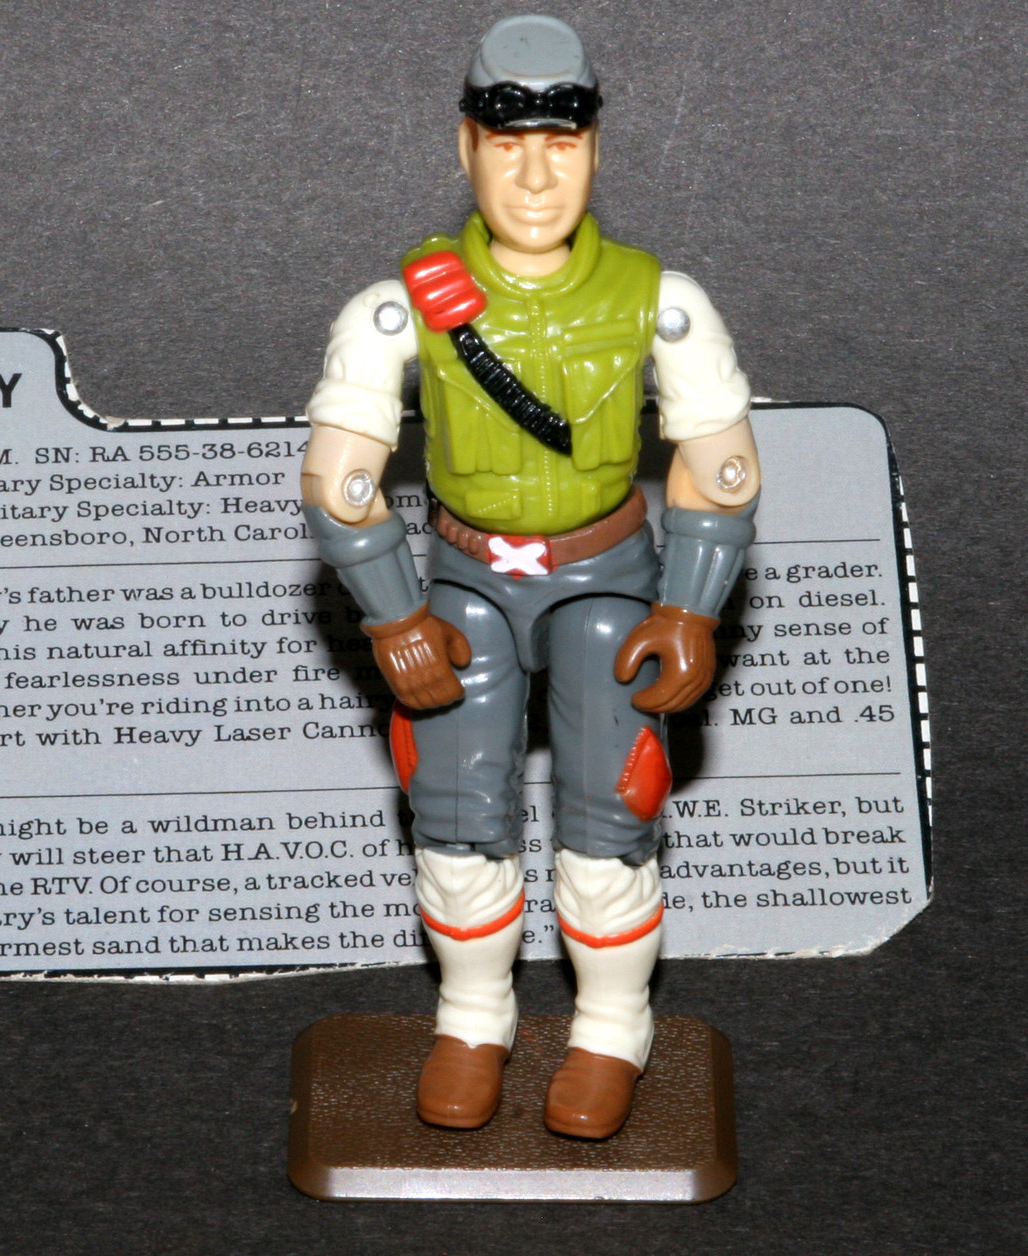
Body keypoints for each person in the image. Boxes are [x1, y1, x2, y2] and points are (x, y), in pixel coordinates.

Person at [301, 14, 760, 1138]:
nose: (537, 175)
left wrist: (690, 608)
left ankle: (610, 1025)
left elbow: (720, 468)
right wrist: (393, 614)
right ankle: (471, 1014)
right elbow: (341, 480)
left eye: (562, 143)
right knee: (458, 812)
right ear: (466, 146)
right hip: (465, 584)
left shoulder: (662, 302)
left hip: (608, 578)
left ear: (596, 148)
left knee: (613, 810)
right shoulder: (399, 306)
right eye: (509, 146)